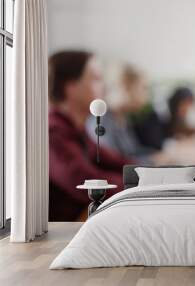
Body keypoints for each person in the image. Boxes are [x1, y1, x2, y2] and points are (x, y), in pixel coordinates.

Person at [48, 51, 133, 221]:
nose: (104, 86)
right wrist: (140, 183)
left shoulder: (75, 129)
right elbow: (85, 183)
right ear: (71, 87)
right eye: (96, 78)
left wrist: (150, 174)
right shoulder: (54, 132)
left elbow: (116, 161)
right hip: (63, 238)